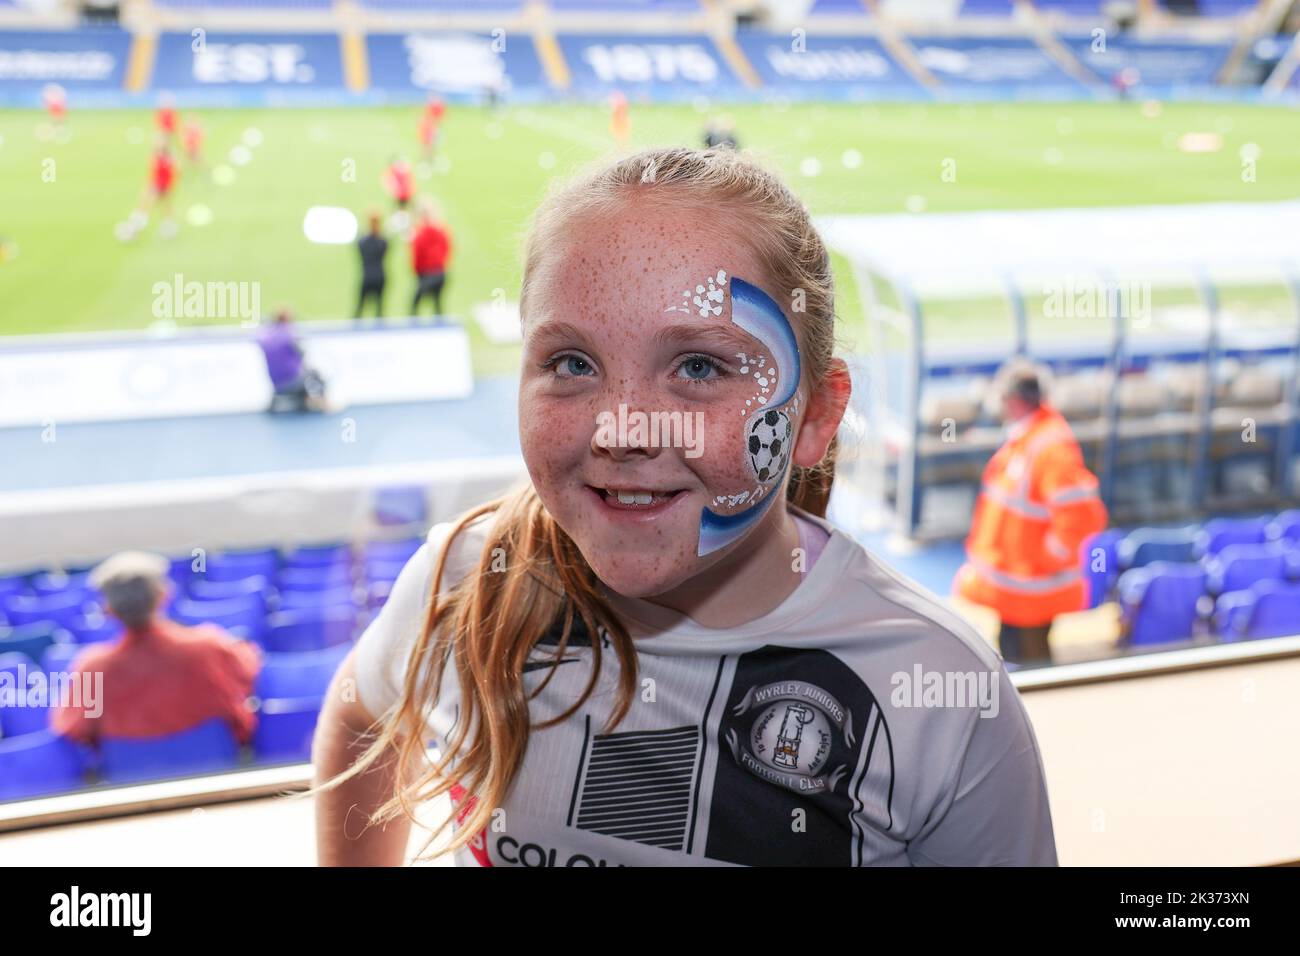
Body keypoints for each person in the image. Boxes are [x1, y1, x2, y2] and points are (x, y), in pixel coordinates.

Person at [313, 147, 1057, 867]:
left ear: (816, 417)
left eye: (699, 366)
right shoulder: (464, 582)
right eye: (572, 364)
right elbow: (358, 710)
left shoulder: (939, 695)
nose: (624, 429)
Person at [955, 360, 1108, 665]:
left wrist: (1044, 559)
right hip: (1017, 590)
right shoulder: (1028, 439)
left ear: (1012, 400)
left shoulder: (1048, 446)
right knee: (1014, 656)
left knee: (1031, 665)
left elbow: (1081, 517)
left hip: (1031, 590)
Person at [50, 551, 261, 747]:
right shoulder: (208, 646)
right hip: (219, 772)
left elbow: (71, 729)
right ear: (164, 594)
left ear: (109, 610)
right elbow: (250, 669)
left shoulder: (92, 669)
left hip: (133, 780)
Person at [255, 308, 328, 412]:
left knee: (304, 372)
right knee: (314, 373)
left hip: (275, 381)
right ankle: (323, 403)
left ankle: (306, 400)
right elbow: (302, 353)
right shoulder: (289, 334)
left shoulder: (266, 337)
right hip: (292, 379)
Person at [409, 202, 451, 318]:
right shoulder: (441, 229)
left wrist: (417, 271)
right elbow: (447, 248)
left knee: (415, 303)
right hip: (440, 272)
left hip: (427, 273)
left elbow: (417, 254)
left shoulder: (420, 232)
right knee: (437, 303)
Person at [355, 211, 388, 320]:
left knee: (360, 307)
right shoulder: (382, 241)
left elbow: (359, 249)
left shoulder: (363, 241)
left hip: (368, 276)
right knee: (379, 309)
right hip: (380, 276)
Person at [418, 95, 445, 162]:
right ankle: (427, 159)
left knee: (431, 144)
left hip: (431, 127)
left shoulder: (435, 108)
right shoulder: (430, 109)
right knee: (428, 144)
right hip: (429, 127)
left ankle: (429, 158)